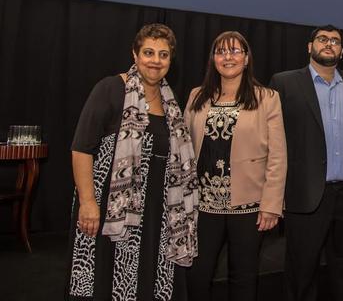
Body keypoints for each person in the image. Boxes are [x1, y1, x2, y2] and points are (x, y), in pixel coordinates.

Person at [67, 23, 197, 301]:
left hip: (156, 213)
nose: (155, 60)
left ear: (170, 61)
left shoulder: (170, 102)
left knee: (146, 281)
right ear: (135, 54)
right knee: (104, 276)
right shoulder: (111, 88)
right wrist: (88, 201)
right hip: (109, 206)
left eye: (163, 55)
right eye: (148, 52)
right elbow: (81, 149)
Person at [269, 25, 343, 301]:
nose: (329, 44)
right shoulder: (284, 83)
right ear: (309, 47)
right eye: (322, 39)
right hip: (305, 194)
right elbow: (273, 142)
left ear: (342, 51)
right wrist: (274, 192)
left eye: (335, 41)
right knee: (301, 273)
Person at [184, 31, 287, 301]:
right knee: (196, 276)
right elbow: (183, 150)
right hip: (202, 206)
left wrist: (271, 204)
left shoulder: (267, 97)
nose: (228, 57)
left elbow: (278, 155)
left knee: (243, 279)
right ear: (213, 59)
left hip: (249, 208)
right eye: (221, 51)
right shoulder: (197, 96)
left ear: (246, 57)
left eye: (235, 51)